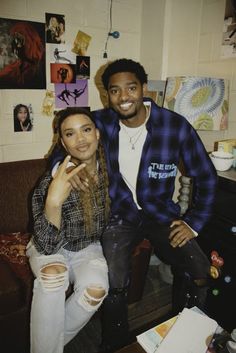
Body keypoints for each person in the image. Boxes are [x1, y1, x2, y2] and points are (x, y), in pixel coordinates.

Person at [51, 59, 218, 352]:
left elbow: (206, 175)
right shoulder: (99, 123)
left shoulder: (174, 126)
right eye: (115, 91)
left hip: (161, 214)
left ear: (143, 88)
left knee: (200, 269)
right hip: (119, 215)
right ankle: (115, 343)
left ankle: (185, 332)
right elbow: (61, 148)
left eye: (130, 88)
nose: (123, 97)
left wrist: (194, 222)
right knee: (114, 279)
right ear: (107, 95)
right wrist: (62, 172)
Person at [26, 107, 110, 353]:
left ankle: (47, 343)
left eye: (86, 130)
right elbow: (46, 245)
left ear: (97, 133)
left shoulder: (110, 171)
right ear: (62, 142)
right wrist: (54, 201)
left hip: (87, 246)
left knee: (96, 291)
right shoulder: (52, 180)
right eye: (70, 134)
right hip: (49, 246)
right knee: (53, 276)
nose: (81, 139)